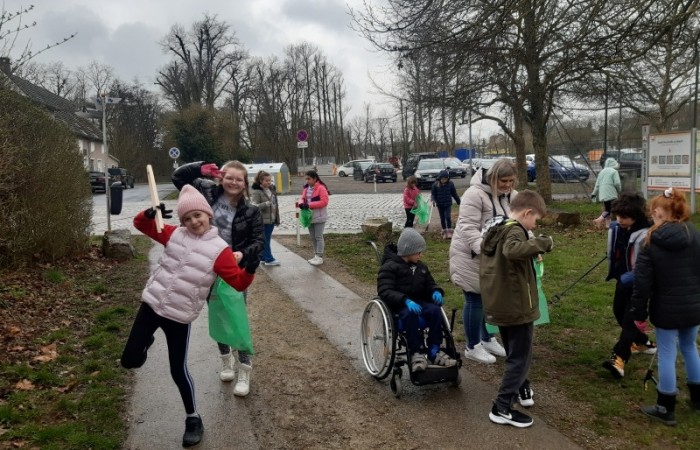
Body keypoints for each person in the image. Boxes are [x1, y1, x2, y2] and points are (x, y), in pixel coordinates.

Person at [120, 185, 259, 447]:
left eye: (198, 215)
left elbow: (238, 283)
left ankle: (193, 418)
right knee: (129, 361)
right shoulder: (173, 234)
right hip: (151, 305)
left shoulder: (220, 250)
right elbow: (140, 224)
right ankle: (146, 341)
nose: (194, 221)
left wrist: (249, 270)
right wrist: (149, 214)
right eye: (187, 218)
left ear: (208, 215)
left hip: (179, 316)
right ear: (182, 221)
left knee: (178, 369)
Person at [172, 160, 263, 396]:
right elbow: (178, 178)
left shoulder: (251, 211)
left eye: (239, 179)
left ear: (245, 183)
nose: (233, 182)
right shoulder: (206, 192)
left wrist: (242, 254)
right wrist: (200, 168)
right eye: (229, 177)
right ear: (221, 178)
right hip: (205, 266)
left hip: (232, 269)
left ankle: (245, 368)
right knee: (217, 315)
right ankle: (226, 360)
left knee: (236, 316)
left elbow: (258, 242)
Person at [480, 190, 553, 428]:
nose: (535, 226)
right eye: (536, 220)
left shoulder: (499, 228)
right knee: (520, 358)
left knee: (514, 354)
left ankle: (520, 389)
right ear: (527, 213)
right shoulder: (515, 231)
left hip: (502, 305)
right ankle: (502, 407)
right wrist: (542, 243)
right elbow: (512, 250)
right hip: (516, 307)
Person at [630, 187, 700, 426]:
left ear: (660, 212)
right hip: (693, 305)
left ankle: (665, 406)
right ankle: (697, 397)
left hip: (667, 308)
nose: (651, 215)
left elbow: (642, 283)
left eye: (653, 211)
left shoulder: (650, 241)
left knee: (667, 353)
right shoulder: (694, 233)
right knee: (690, 347)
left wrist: (639, 313)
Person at [449, 159, 514, 365]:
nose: (507, 185)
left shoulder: (509, 195)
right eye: (503, 181)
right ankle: (472, 346)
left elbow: (516, 222)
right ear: (493, 177)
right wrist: (485, 251)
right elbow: (467, 227)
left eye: (511, 181)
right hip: (470, 256)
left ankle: (487, 338)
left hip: (492, 257)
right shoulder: (474, 195)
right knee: (475, 299)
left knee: (489, 299)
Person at [377, 227, 457, 370]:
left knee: (435, 310)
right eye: (418, 252)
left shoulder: (421, 267)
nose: (421, 255)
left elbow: (429, 284)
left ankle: (434, 350)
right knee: (410, 314)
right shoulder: (390, 267)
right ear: (408, 250)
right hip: (400, 305)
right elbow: (385, 290)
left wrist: (435, 291)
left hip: (419, 302)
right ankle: (416, 352)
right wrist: (405, 300)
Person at [601, 192, 656, 379]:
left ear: (636, 216)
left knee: (630, 320)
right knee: (618, 311)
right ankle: (643, 342)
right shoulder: (620, 229)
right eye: (618, 216)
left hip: (640, 285)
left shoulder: (647, 234)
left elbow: (648, 265)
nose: (620, 220)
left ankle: (618, 359)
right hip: (622, 281)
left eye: (625, 217)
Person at [298, 170, 330, 266]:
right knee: (312, 237)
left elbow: (324, 202)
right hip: (309, 216)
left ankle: (319, 256)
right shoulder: (306, 188)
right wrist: (301, 204)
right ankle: (315, 255)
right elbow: (302, 198)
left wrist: (309, 205)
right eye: (306, 179)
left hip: (319, 216)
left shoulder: (321, 188)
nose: (307, 181)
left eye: (309, 179)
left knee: (318, 236)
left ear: (315, 179)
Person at [250, 171, 281, 266]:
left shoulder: (271, 189)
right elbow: (254, 206)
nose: (269, 182)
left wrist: (276, 218)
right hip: (262, 221)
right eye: (266, 181)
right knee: (265, 240)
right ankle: (269, 259)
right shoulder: (257, 191)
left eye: (270, 180)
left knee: (266, 239)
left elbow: (275, 204)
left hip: (271, 219)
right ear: (260, 181)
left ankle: (263, 257)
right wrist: (266, 204)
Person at [591, 157, 622, 229]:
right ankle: (599, 220)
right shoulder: (614, 171)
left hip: (603, 194)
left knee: (607, 208)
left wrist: (594, 194)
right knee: (614, 209)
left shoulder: (601, 172)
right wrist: (619, 190)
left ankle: (608, 225)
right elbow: (617, 183)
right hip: (611, 193)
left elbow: (597, 185)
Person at [431, 169, 461, 239]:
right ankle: (444, 231)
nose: (444, 180)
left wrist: (458, 201)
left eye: (445, 179)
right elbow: (433, 194)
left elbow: (454, 193)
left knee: (448, 217)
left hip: (448, 203)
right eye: (443, 179)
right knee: (442, 218)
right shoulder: (435, 185)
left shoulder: (450, 184)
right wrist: (433, 200)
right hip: (440, 204)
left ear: (448, 179)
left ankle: (449, 231)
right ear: (440, 178)